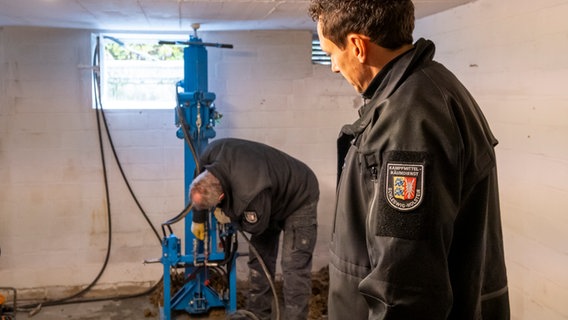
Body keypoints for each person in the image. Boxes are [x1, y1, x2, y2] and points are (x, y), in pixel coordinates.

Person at [308, 0, 510, 319]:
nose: (333, 66)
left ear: (358, 47)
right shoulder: (425, 90)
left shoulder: (409, 121)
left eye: (332, 53)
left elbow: (403, 287)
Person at [188, 138, 319, 320]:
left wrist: (229, 215)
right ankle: (257, 315)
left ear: (222, 196)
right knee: (260, 261)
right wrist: (198, 218)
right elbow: (198, 185)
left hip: (299, 196)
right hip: (269, 194)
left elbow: (256, 227)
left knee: (293, 267)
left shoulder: (249, 193)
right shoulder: (210, 154)